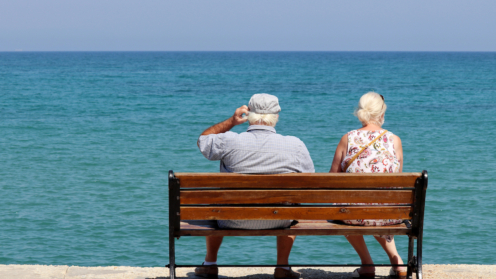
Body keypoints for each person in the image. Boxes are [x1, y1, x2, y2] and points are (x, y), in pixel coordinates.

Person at [196, 93, 315, 279]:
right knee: (292, 204)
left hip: (231, 218)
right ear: (276, 116)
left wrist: (232, 121)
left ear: (248, 114)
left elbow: (203, 140)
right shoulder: (295, 145)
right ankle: (282, 267)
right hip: (280, 220)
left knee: (216, 203)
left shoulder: (229, 140)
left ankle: (210, 263)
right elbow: (309, 183)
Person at [329, 92, 407, 279]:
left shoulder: (348, 138)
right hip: (387, 216)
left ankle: (367, 264)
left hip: (353, 215)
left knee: (346, 208)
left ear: (360, 112)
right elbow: (396, 180)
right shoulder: (393, 140)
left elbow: (331, 180)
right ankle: (397, 262)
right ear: (382, 113)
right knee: (379, 205)